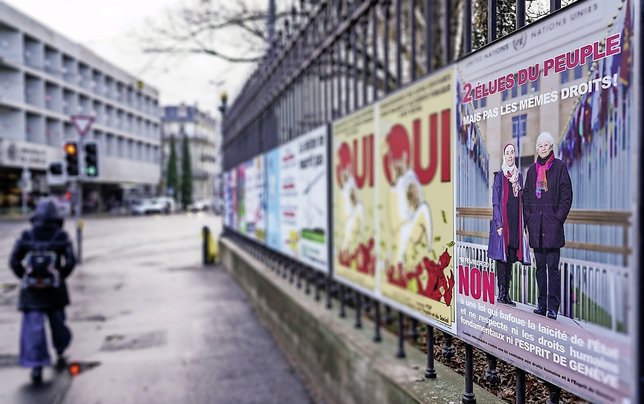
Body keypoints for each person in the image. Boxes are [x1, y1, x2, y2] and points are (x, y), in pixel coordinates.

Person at [9, 199, 76, 383]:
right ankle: (61, 347)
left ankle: (36, 365)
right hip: (55, 290)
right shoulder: (61, 236)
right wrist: (60, 276)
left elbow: (14, 261)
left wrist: (26, 277)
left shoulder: (26, 235)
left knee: (33, 329)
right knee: (58, 324)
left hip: (32, 291)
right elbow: (71, 261)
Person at [523, 132, 573, 320]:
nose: (542, 148)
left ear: (551, 147)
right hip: (536, 228)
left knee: (553, 269)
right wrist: (528, 218)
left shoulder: (560, 167)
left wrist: (558, 218)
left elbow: (566, 196)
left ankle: (553, 307)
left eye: (546, 145)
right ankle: (541, 304)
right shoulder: (532, 171)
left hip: (552, 229)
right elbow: (526, 197)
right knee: (539, 269)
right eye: (540, 145)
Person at [488, 143, 531, 306]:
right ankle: (501, 293)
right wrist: (498, 223)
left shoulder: (519, 177)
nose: (510, 155)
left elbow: (521, 199)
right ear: (504, 156)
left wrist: (524, 224)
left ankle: (507, 294)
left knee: (511, 258)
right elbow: (496, 202)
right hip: (503, 223)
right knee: (502, 258)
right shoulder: (499, 176)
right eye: (508, 152)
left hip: (514, 223)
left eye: (513, 152)